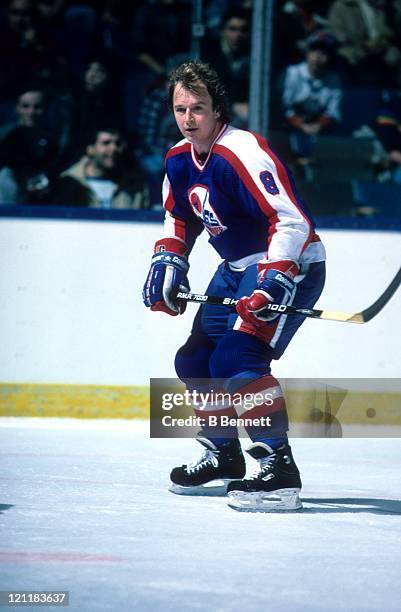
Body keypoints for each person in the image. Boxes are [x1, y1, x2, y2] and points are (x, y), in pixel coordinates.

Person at [142, 61, 326, 512]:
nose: (188, 118)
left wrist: (276, 277)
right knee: (196, 360)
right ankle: (223, 453)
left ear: (218, 109)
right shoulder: (177, 157)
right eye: (180, 108)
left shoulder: (241, 151)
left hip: (290, 265)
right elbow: (180, 215)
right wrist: (169, 259)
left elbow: (291, 220)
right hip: (236, 267)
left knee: (238, 357)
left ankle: (279, 470)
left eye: (198, 108)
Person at [281, 30, 343, 176]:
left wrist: (319, 125)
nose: (317, 57)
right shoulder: (293, 73)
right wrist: (300, 124)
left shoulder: (334, 80)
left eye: (324, 53)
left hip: (318, 130)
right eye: (314, 50)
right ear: (307, 52)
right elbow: (283, 106)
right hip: (290, 128)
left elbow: (333, 111)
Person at [52, 126, 150, 209]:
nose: (113, 148)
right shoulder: (68, 184)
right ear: (90, 149)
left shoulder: (135, 187)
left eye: (118, 143)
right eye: (106, 143)